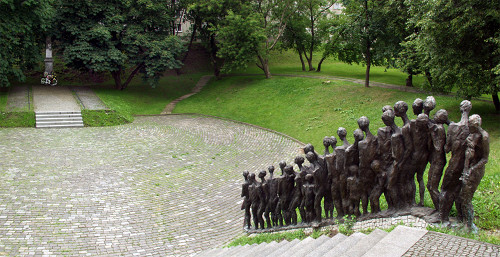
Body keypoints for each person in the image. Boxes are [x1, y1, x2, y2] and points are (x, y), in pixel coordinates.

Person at [439, 100, 472, 224]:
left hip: (454, 164)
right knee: (459, 191)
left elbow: (447, 149)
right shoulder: (472, 129)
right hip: (466, 167)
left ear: (460, 109)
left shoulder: (453, 127)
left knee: (445, 190)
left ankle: (444, 219)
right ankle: (461, 218)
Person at [459, 114, 489, 232]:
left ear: (476, 125)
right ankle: (467, 222)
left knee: (466, 196)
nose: (468, 126)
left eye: (470, 125)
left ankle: (469, 225)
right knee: (463, 196)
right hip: (467, 168)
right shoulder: (472, 134)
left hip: (475, 170)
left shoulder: (484, 137)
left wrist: (471, 170)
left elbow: (485, 159)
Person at [427, 109, 448, 211]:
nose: (435, 116)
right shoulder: (437, 127)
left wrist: (432, 133)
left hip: (438, 161)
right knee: (429, 186)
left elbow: (438, 147)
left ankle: (442, 211)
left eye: (438, 116)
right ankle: (438, 209)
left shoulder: (439, 129)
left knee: (433, 187)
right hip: (435, 160)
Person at [357, 116, 378, 215]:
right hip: (374, 168)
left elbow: (361, 159)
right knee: (373, 189)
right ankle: (375, 209)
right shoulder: (375, 139)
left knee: (364, 192)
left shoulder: (362, 143)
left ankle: (365, 211)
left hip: (365, 170)